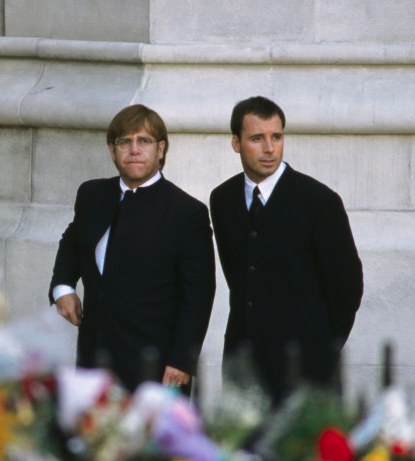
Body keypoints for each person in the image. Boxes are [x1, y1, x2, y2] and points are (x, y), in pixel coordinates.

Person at [49, 104, 216, 392]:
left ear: (161, 149)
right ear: (112, 151)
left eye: (144, 141)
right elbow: (73, 240)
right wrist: (63, 286)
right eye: (124, 142)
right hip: (93, 359)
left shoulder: (187, 212)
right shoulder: (92, 194)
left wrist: (181, 361)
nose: (134, 149)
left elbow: (198, 295)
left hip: (153, 366)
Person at [210, 96, 363, 403]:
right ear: (236, 143)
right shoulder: (222, 199)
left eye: (276, 137)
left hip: (306, 370)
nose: (269, 148)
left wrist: (320, 348)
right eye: (257, 138)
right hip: (243, 366)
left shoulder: (319, 202)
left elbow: (347, 288)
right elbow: (239, 280)